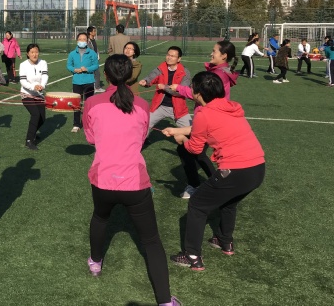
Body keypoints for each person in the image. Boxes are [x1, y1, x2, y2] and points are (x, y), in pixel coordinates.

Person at [83, 55, 180, 306]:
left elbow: (91, 138)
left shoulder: (92, 102)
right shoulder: (142, 105)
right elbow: (141, 135)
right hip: (134, 182)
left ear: (106, 75)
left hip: (103, 179)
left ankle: (95, 261)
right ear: (130, 76)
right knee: (151, 240)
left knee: (100, 217)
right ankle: (164, 301)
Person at [163, 71, 265, 271]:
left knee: (197, 205)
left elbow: (195, 148)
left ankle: (192, 256)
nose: (190, 90)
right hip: (257, 169)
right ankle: (224, 241)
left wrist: (182, 140)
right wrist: (177, 130)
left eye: (192, 87)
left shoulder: (203, 113)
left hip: (235, 170)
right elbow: (206, 128)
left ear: (198, 93)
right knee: (228, 203)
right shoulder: (229, 106)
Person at [164, 41, 238, 199]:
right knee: (192, 152)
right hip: (210, 117)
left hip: (209, 118)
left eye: (214, 51)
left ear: (224, 56)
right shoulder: (220, 71)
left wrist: (179, 88)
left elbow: (201, 95)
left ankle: (204, 185)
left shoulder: (219, 74)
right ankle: (211, 184)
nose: (211, 53)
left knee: (192, 152)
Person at [139, 46, 191, 140]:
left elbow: (182, 92)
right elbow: (152, 77)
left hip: (178, 108)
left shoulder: (185, 72)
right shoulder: (161, 68)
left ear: (179, 59)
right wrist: (145, 81)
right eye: (168, 55)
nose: (169, 57)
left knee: (192, 130)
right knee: (144, 125)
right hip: (159, 106)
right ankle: (139, 143)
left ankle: (194, 147)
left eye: (172, 56)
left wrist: (165, 87)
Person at [67, 33, 99, 133]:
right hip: (76, 82)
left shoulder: (92, 53)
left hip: (89, 81)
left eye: (84, 39)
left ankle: (88, 123)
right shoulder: (72, 54)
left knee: (89, 103)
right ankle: (76, 124)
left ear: (87, 41)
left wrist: (87, 69)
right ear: (77, 41)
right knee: (77, 103)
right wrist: (74, 70)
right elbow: (69, 65)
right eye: (80, 39)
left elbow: (96, 65)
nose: (82, 41)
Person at [19, 43, 48, 150]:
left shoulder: (43, 63)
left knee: (42, 118)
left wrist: (42, 86)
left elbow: (45, 76)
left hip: (39, 94)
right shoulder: (23, 65)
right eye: (32, 52)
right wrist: (33, 87)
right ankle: (29, 140)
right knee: (35, 114)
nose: (34, 54)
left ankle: (33, 132)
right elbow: (23, 81)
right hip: (26, 94)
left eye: (36, 52)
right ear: (28, 54)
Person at [87, 26, 104, 92]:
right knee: (91, 73)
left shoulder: (93, 40)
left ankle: (97, 87)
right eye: (94, 31)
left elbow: (96, 49)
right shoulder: (87, 41)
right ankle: (93, 87)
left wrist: (98, 56)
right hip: (90, 60)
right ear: (90, 32)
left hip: (95, 59)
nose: (95, 32)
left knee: (97, 73)